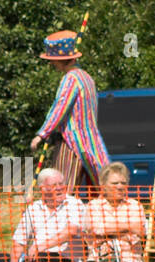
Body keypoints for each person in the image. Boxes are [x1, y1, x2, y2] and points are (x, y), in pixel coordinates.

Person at [30, 30, 109, 193]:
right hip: (92, 144)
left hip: (71, 143)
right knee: (99, 191)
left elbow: (59, 108)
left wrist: (42, 134)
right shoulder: (87, 78)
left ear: (62, 60)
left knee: (62, 193)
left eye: (53, 61)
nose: (52, 64)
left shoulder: (71, 79)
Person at [87, 161, 148, 262]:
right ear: (103, 185)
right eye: (115, 183)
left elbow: (139, 230)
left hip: (128, 259)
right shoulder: (92, 206)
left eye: (123, 183)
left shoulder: (135, 206)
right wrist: (126, 227)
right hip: (98, 258)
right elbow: (95, 229)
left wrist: (107, 231)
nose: (120, 186)